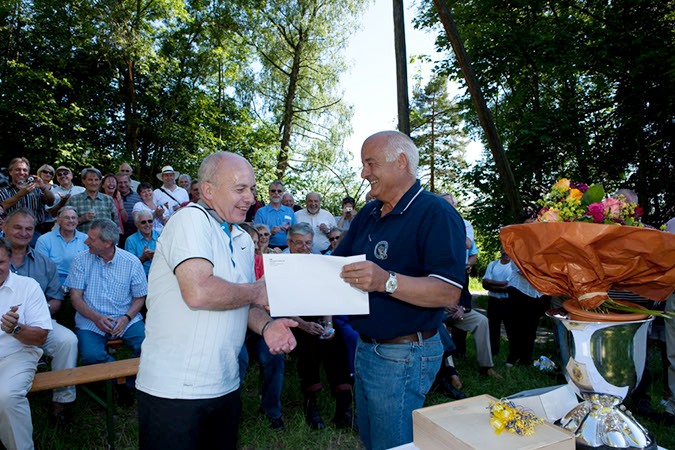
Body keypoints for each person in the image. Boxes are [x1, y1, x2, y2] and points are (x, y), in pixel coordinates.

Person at [135, 152, 297, 450]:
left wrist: (267, 326)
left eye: (252, 189)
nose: (250, 198)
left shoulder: (242, 239)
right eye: (239, 189)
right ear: (208, 190)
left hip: (225, 385)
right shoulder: (189, 220)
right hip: (175, 391)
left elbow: (243, 300)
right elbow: (199, 291)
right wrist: (258, 292)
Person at [332, 130, 466, 450]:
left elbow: (448, 293)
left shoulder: (436, 213)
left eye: (370, 163)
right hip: (367, 348)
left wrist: (384, 281)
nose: (363, 173)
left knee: (393, 445)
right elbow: (336, 265)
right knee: (371, 439)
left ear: (401, 162)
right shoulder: (369, 213)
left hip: (404, 355)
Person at [4, 209, 79, 426]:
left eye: (29, 229)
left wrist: (35, 315)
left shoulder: (44, 262)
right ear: (4, 228)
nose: (24, 233)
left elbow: (56, 299)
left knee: (67, 341)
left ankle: (61, 402)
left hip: (39, 323)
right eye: (17, 227)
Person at [65, 219, 147, 399]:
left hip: (125, 318)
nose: (86, 242)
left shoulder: (131, 262)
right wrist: (96, 318)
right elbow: (75, 297)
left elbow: (140, 297)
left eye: (91, 239)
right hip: (90, 320)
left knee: (148, 346)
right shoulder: (81, 259)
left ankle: (128, 383)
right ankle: (120, 383)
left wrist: (126, 318)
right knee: (91, 356)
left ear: (108, 243)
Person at [286, 222, 355, 430]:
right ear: (289, 243)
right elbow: (279, 304)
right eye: (298, 243)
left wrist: (328, 324)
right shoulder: (281, 265)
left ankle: (343, 408)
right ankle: (311, 405)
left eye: (308, 243)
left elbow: (327, 298)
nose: (304, 247)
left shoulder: (317, 263)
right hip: (293, 320)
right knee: (309, 346)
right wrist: (303, 324)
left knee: (336, 342)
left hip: (318, 319)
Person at [0, 237, 52, 450]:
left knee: (6, 397)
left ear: (10, 260)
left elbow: (41, 337)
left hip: (17, 354)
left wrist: (16, 329)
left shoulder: (28, 286)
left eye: (0, 262)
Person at [0, 157, 55, 236]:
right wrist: (21, 194)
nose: (22, 172)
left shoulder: (36, 189)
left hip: (35, 231)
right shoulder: (3, 191)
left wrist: (43, 186)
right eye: (18, 169)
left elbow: (51, 202)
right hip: (11, 233)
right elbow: (3, 206)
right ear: (10, 172)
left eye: (25, 170)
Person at [35, 206, 89, 285]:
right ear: (58, 221)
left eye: (73, 218)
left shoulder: (86, 239)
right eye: (66, 218)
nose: (71, 221)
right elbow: (41, 268)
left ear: (77, 221)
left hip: (80, 280)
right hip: (53, 280)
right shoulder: (44, 239)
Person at [66, 168, 119, 233]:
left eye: (96, 180)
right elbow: (66, 224)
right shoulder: (74, 200)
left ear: (100, 181)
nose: (93, 183)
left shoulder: (108, 200)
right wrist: (82, 219)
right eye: (90, 180)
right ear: (83, 181)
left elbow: (116, 223)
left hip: (104, 241)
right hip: (82, 241)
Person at [482, 248, 512, 355]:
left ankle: (513, 354)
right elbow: (484, 284)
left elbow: (509, 287)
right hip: (493, 301)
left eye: (508, 250)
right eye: (503, 250)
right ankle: (494, 353)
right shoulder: (493, 264)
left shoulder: (514, 266)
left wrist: (491, 283)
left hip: (508, 302)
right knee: (493, 328)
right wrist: (502, 284)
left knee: (511, 329)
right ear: (500, 251)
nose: (505, 252)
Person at [254, 181, 296, 250]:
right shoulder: (261, 212)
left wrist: (289, 229)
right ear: (269, 193)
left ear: (282, 193)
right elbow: (256, 234)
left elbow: (296, 231)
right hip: (267, 247)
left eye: (279, 191)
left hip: (288, 248)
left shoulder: (290, 211)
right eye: (273, 191)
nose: (276, 193)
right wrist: (270, 232)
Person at [124, 210, 158, 277]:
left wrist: (156, 255)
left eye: (150, 221)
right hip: (141, 277)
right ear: (137, 224)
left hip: (159, 276)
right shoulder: (130, 241)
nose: (147, 225)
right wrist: (143, 258)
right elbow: (129, 267)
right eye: (143, 222)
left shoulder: (160, 236)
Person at [116, 173, 141, 244]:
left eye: (125, 182)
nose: (123, 185)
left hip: (134, 232)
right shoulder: (113, 197)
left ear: (130, 183)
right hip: (118, 233)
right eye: (120, 182)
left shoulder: (138, 197)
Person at [101, 173, 127, 240]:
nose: (111, 184)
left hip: (118, 234)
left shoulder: (118, 199)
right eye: (109, 182)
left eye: (113, 182)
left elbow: (125, 219)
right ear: (103, 185)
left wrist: (120, 204)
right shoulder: (100, 199)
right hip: (103, 234)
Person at [36, 164, 57, 234]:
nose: (48, 174)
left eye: (50, 173)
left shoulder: (56, 187)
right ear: (40, 173)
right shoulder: (33, 186)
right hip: (36, 222)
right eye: (45, 172)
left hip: (52, 222)